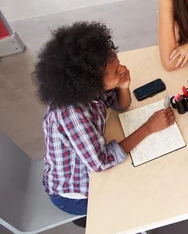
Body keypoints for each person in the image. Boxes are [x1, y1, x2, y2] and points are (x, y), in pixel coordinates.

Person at [34, 21, 175, 219]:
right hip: (76, 194)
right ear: (91, 80)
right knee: (141, 197)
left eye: (119, 65)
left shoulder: (89, 89)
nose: (123, 69)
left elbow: (119, 105)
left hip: (90, 163)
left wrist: (123, 85)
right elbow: (101, 162)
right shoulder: (71, 114)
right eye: (116, 71)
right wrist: (148, 128)